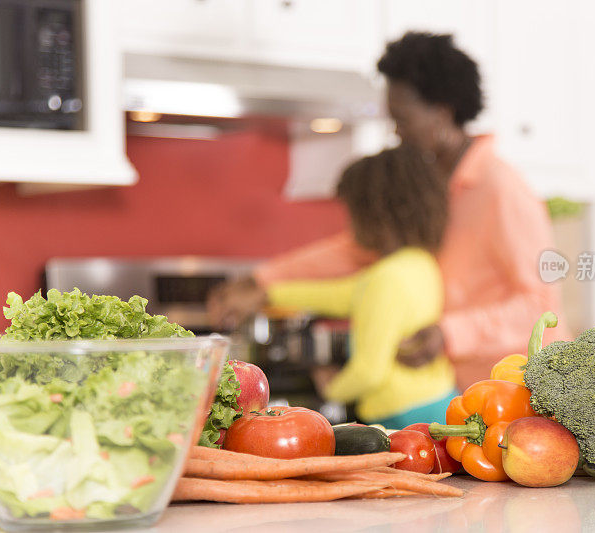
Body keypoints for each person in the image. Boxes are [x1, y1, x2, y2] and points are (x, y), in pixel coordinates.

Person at [209, 32, 569, 390]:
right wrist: (263, 279)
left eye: (403, 119)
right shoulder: (430, 185)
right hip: (469, 392)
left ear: (442, 114)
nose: (396, 132)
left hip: (528, 393)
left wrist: (449, 333)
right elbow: (360, 247)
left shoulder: (502, 189)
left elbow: (538, 306)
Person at [254, 146, 456, 428]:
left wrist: (330, 388)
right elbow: (343, 295)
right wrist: (267, 294)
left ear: (374, 216)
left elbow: (369, 372)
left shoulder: (386, 278)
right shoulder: (420, 263)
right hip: (438, 401)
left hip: (405, 414)